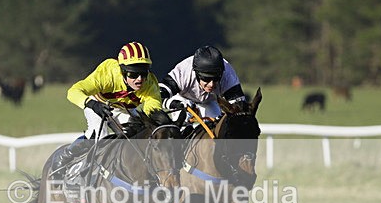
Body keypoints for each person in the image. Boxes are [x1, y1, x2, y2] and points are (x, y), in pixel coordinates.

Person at [51, 42, 163, 174]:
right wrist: (93, 104)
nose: (139, 79)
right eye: (133, 74)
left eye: (143, 73)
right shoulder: (108, 74)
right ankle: (66, 157)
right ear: (123, 71)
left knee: (137, 136)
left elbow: (151, 113)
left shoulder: (150, 84)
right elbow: (73, 91)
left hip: (123, 108)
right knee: (99, 136)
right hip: (98, 103)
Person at [159, 45, 246, 120]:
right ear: (196, 73)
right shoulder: (184, 71)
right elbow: (157, 95)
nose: (211, 84)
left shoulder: (227, 74)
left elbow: (240, 109)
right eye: (206, 78)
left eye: (216, 78)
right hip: (182, 100)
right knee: (183, 117)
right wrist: (173, 103)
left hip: (209, 102)